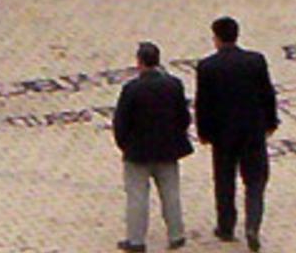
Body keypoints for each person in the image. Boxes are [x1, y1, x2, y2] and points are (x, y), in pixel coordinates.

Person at [195, 17, 279, 252]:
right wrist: (270, 122)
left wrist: (203, 132)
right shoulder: (255, 61)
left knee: (224, 181)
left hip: (222, 135)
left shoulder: (207, 67)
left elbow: (203, 103)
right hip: (252, 132)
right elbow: (267, 94)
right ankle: (252, 225)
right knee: (255, 181)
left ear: (217, 38)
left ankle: (226, 226)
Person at [113, 42, 193, 252]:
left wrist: (125, 145)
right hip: (167, 150)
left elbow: (120, 122)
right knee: (171, 193)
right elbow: (183, 117)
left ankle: (136, 240)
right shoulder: (173, 85)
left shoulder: (131, 89)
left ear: (139, 62)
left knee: (137, 197)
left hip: (138, 152)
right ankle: (177, 235)